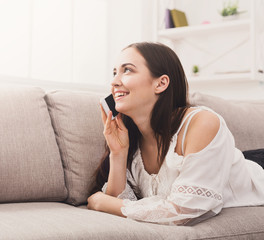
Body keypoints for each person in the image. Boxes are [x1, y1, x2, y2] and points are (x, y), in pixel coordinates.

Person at [87, 42, 264, 226]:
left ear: (161, 83)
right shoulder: (131, 138)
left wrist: (102, 202)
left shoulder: (202, 122)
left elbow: (184, 211)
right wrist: (118, 153)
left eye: (128, 70)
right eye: (115, 72)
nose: (114, 82)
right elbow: (116, 203)